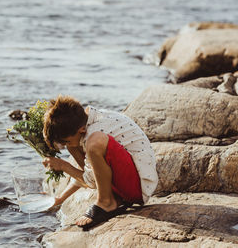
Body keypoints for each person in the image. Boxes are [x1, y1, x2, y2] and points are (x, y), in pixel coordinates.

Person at [42, 95, 158, 231]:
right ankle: (113, 199)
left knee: (94, 142)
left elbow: (90, 181)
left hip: (137, 187)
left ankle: (106, 202)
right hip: (126, 182)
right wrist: (59, 198)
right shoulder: (86, 121)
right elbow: (92, 173)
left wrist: (63, 166)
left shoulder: (95, 132)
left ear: (81, 130)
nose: (66, 145)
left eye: (66, 141)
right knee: (74, 146)